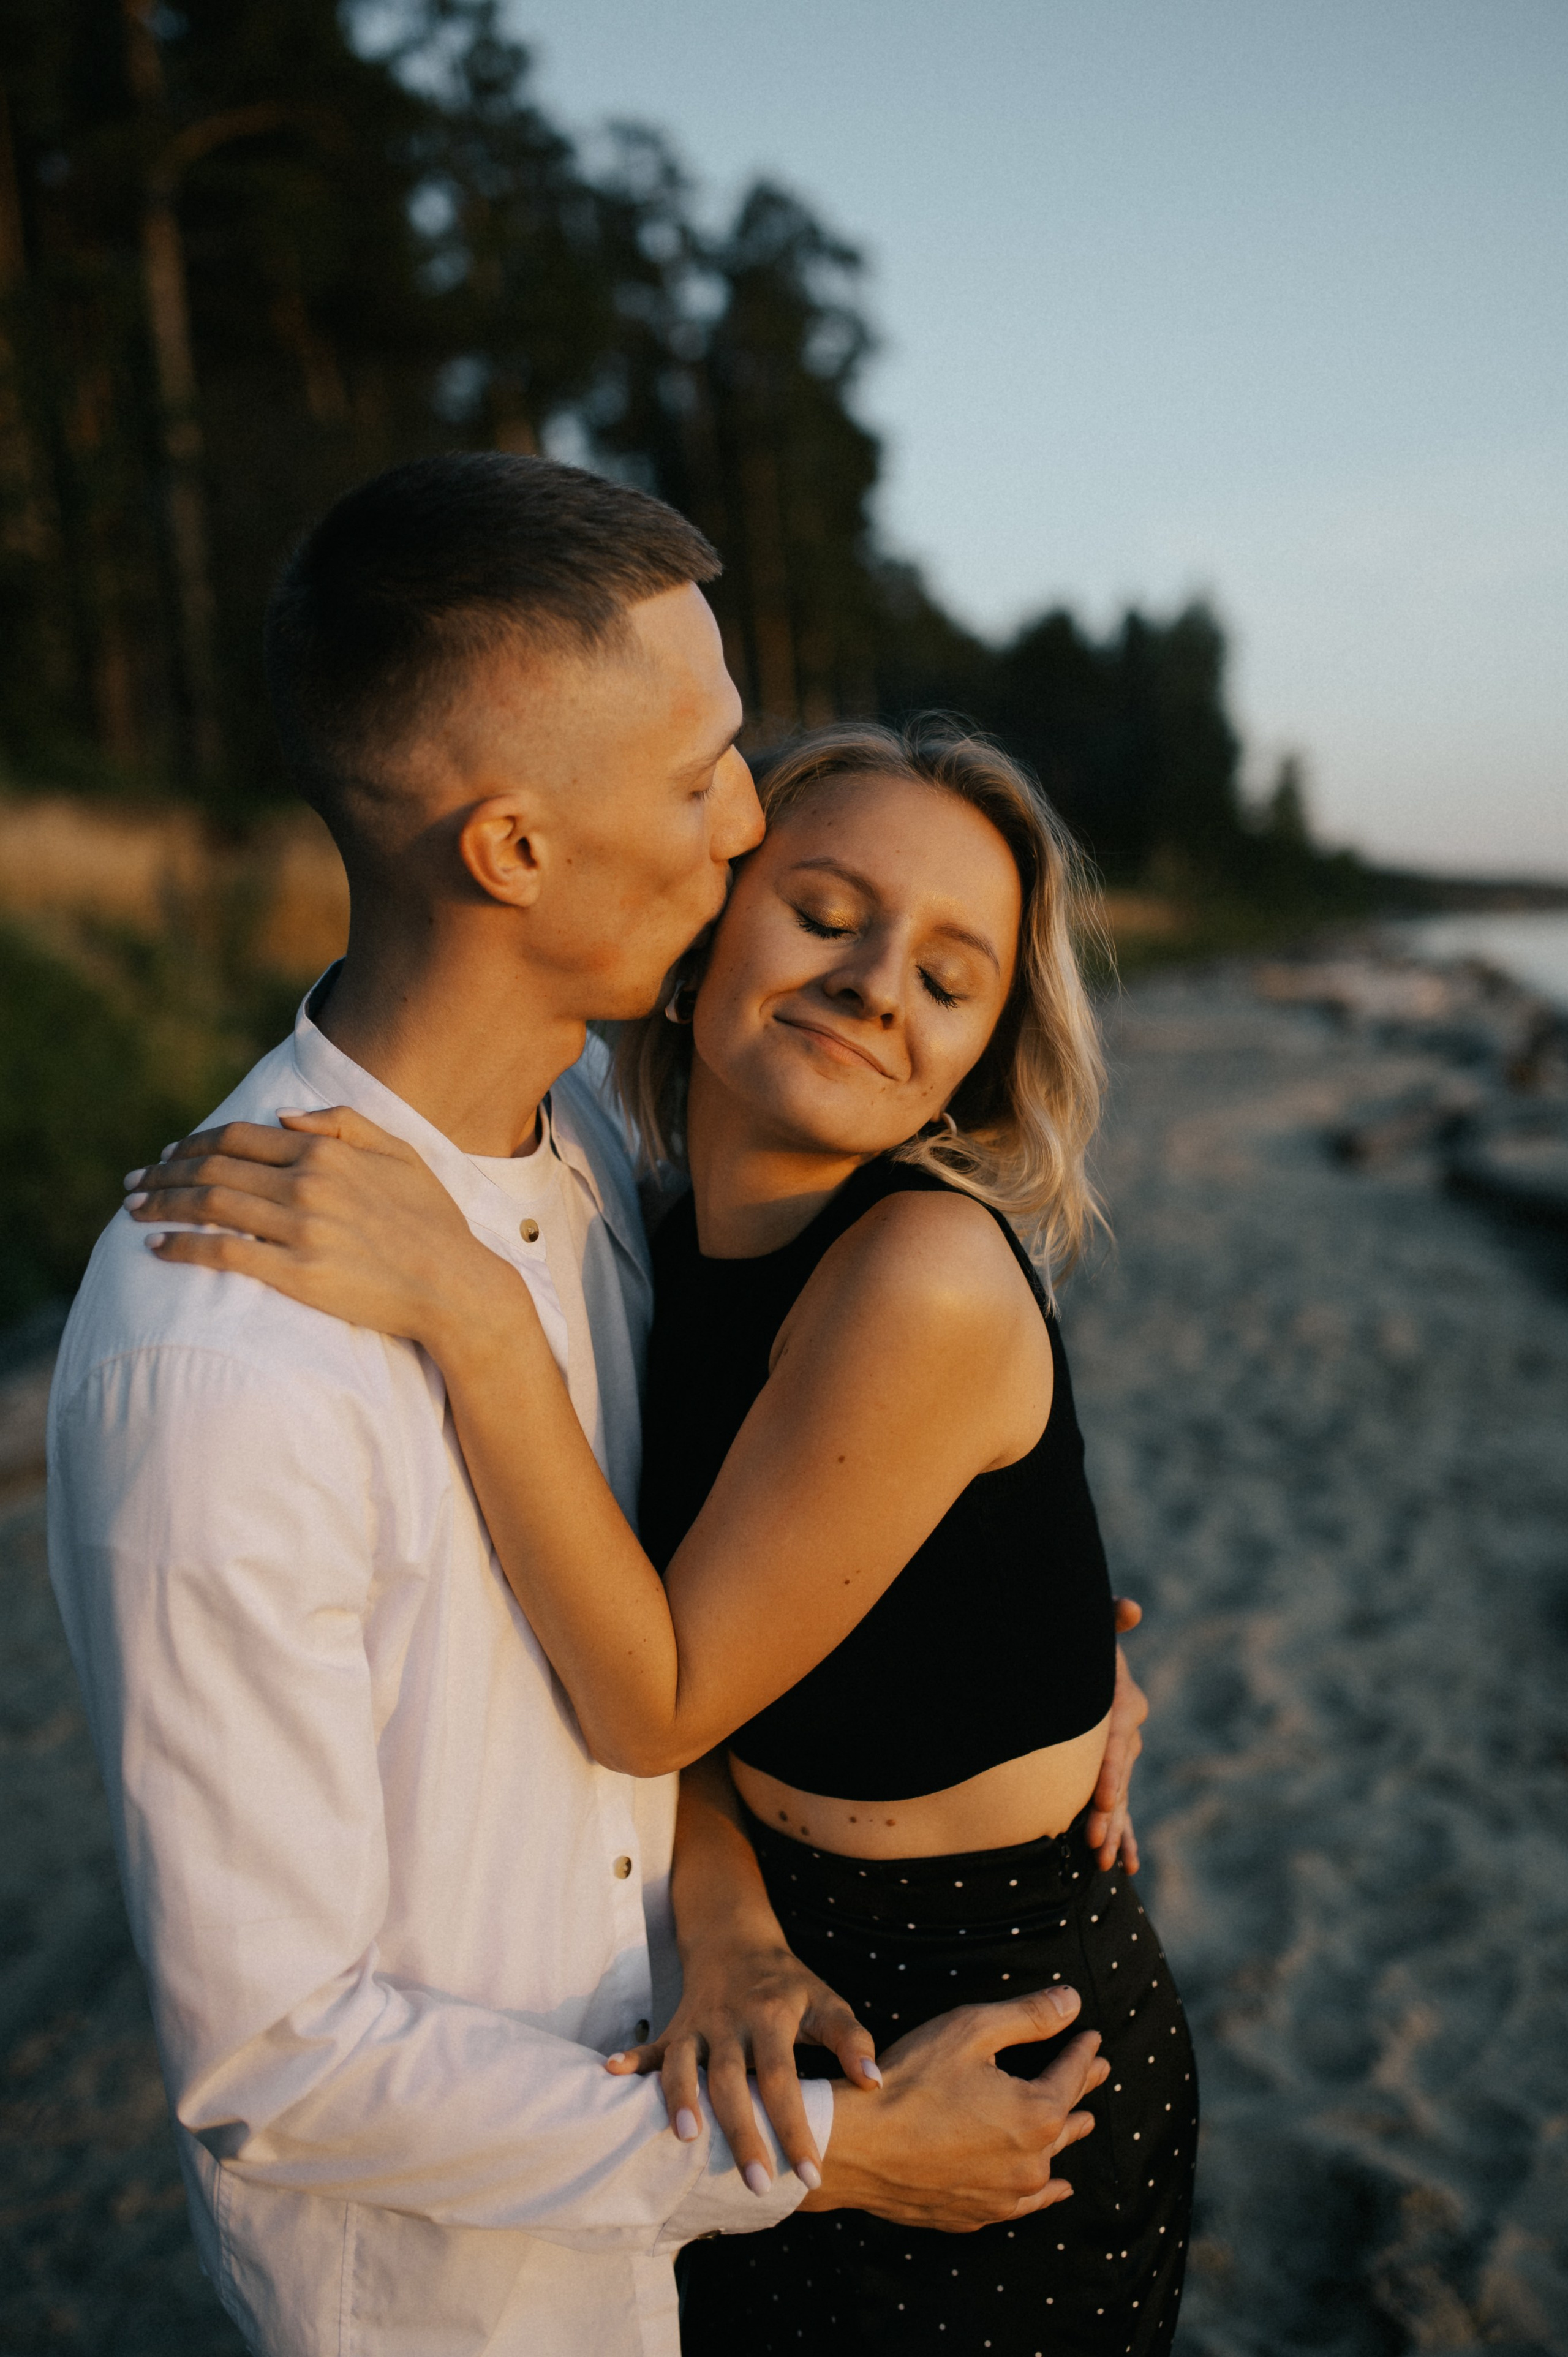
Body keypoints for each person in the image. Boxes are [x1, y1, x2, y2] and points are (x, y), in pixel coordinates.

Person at [47, 454, 1116, 2357]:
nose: (740, 829)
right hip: (482, 2303)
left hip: (728, 2174)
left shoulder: (612, 1179)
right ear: (515, 849)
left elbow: (706, 1619)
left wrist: (1047, 1689)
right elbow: (279, 2062)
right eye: (704, 774)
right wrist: (828, 2163)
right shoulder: (222, 1350)